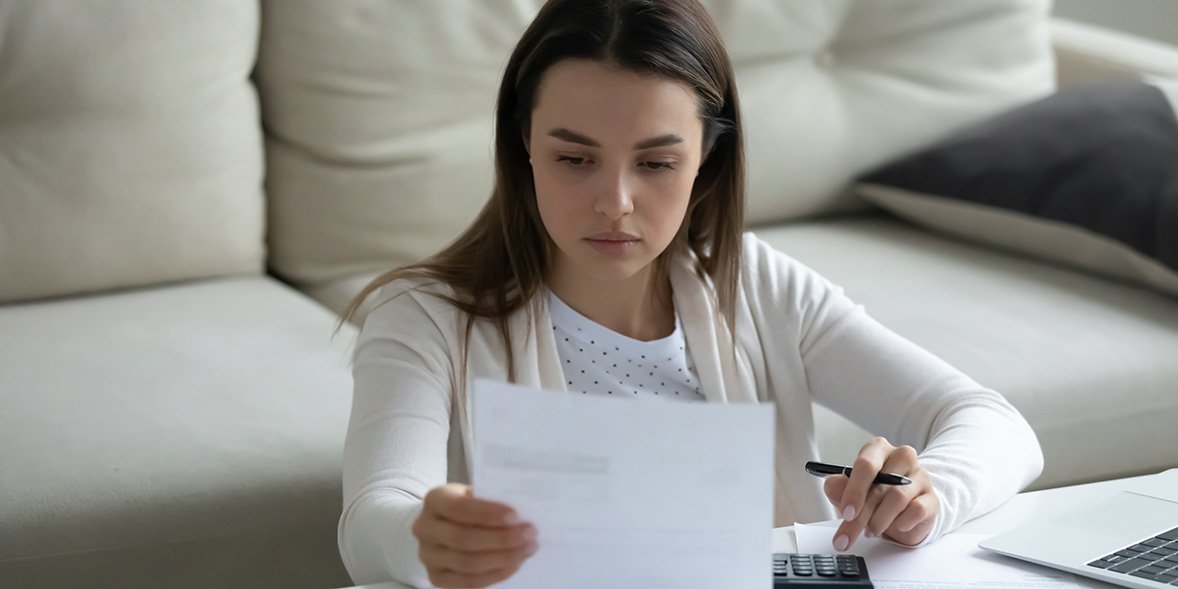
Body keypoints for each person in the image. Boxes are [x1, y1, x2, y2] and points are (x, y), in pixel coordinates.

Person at [336, 0, 1044, 587]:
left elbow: (991, 421)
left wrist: (929, 495)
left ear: (706, 158)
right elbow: (372, 518)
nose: (615, 202)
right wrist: (423, 538)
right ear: (524, 145)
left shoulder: (757, 284)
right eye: (574, 158)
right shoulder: (426, 317)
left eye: (656, 163)